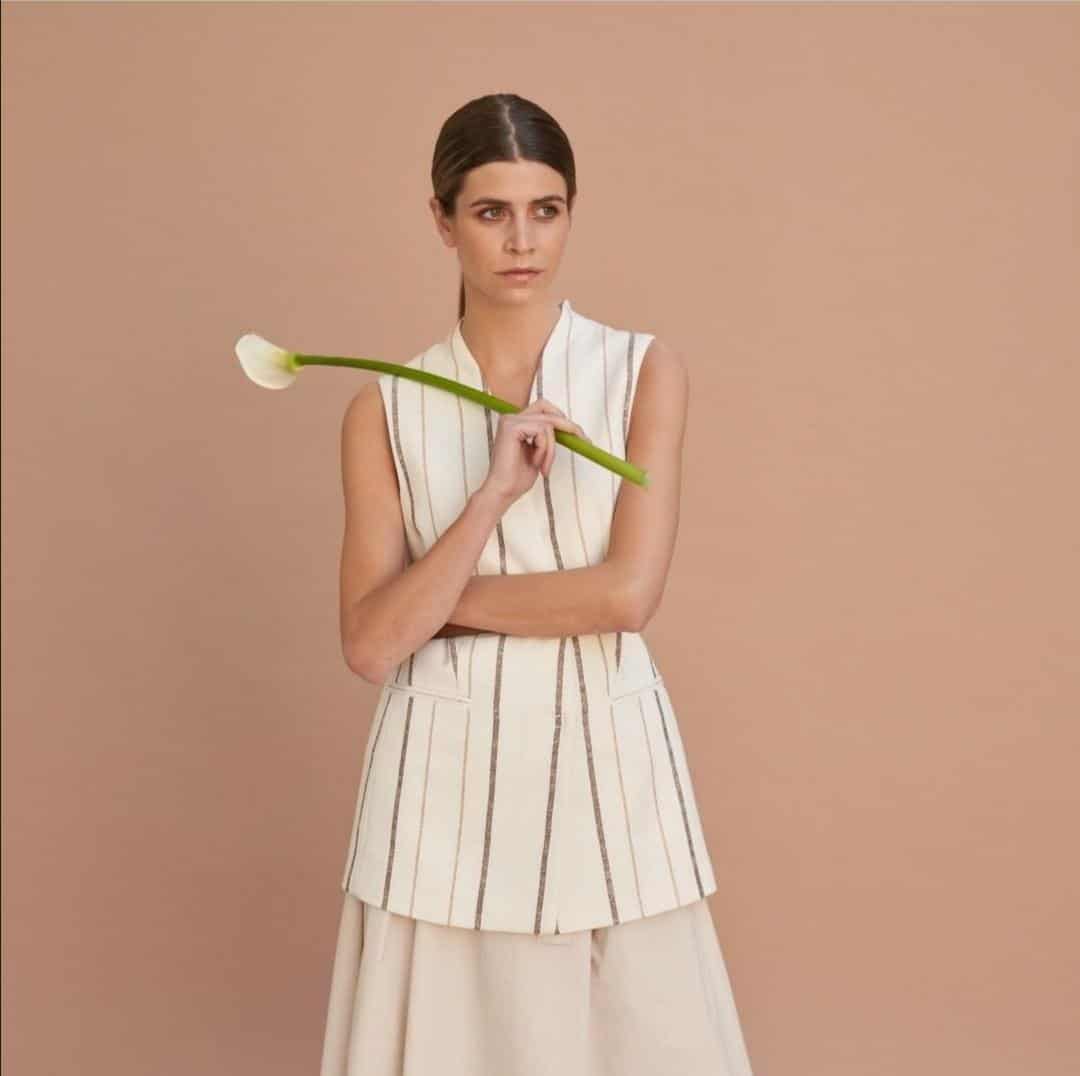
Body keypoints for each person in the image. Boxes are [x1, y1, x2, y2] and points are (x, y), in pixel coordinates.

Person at [319, 93, 755, 1076]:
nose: (522, 241)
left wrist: (432, 604)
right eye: (491, 212)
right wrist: (490, 498)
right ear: (442, 221)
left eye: (545, 210)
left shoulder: (642, 371)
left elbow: (625, 597)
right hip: (438, 789)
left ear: (569, 214)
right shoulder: (381, 408)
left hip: (607, 760)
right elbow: (369, 646)